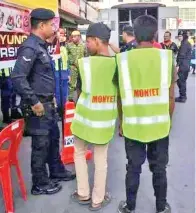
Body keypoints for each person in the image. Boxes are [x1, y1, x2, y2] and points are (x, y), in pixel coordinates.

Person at [11, 8, 75, 196]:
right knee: (41, 145)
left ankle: (56, 170)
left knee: (53, 139)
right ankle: (39, 183)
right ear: (41, 25)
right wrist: (34, 101)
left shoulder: (40, 46)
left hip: (48, 103)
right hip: (38, 106)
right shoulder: (30, 47)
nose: (53, 28)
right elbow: (18, 77)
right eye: (51, 24)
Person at [117, 15, 175, 213]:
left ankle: (129, 206)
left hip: (133, 126)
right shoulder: (166, 57)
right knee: (159, 168)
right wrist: (168, 121)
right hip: (160, 126)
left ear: (135, 34)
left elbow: (120, 96)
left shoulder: (123, 60)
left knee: (133, 167)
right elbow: (171, 97)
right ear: (155, 34)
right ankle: (161, 207)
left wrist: (121, 122)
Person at [70, 23, 118, 211]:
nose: (86, 45)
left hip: (82, 121)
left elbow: (78, 93)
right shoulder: (117, 65)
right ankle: (97, 199)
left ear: (97, 41)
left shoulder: (84, 64)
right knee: (101, 161)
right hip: (104, 123)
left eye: (88, 41)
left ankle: (83, 193)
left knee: (79, 154)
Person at [67, 30, 86, 101]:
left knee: (82, 84)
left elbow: (86, 55)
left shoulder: (83, 45)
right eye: (72, 37)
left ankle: (80, 99)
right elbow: (66, 56)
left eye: (74, 36)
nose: (73, 38)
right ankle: (70, 100)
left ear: (79, 37)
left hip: (81, 67)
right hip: (73, 67)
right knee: (71, 85)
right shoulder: (69, 45)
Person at [175, 30, 192, 103]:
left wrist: (177, 66)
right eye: (178, 36)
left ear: (184, 36)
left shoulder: (184, 44)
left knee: (181, 81)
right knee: (182, 81)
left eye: (180, 36)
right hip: (185, 65)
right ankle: (183, 96)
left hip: (183, 65)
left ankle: (182, 97)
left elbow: (181, 55)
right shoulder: (186, 43)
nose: (179, 37)